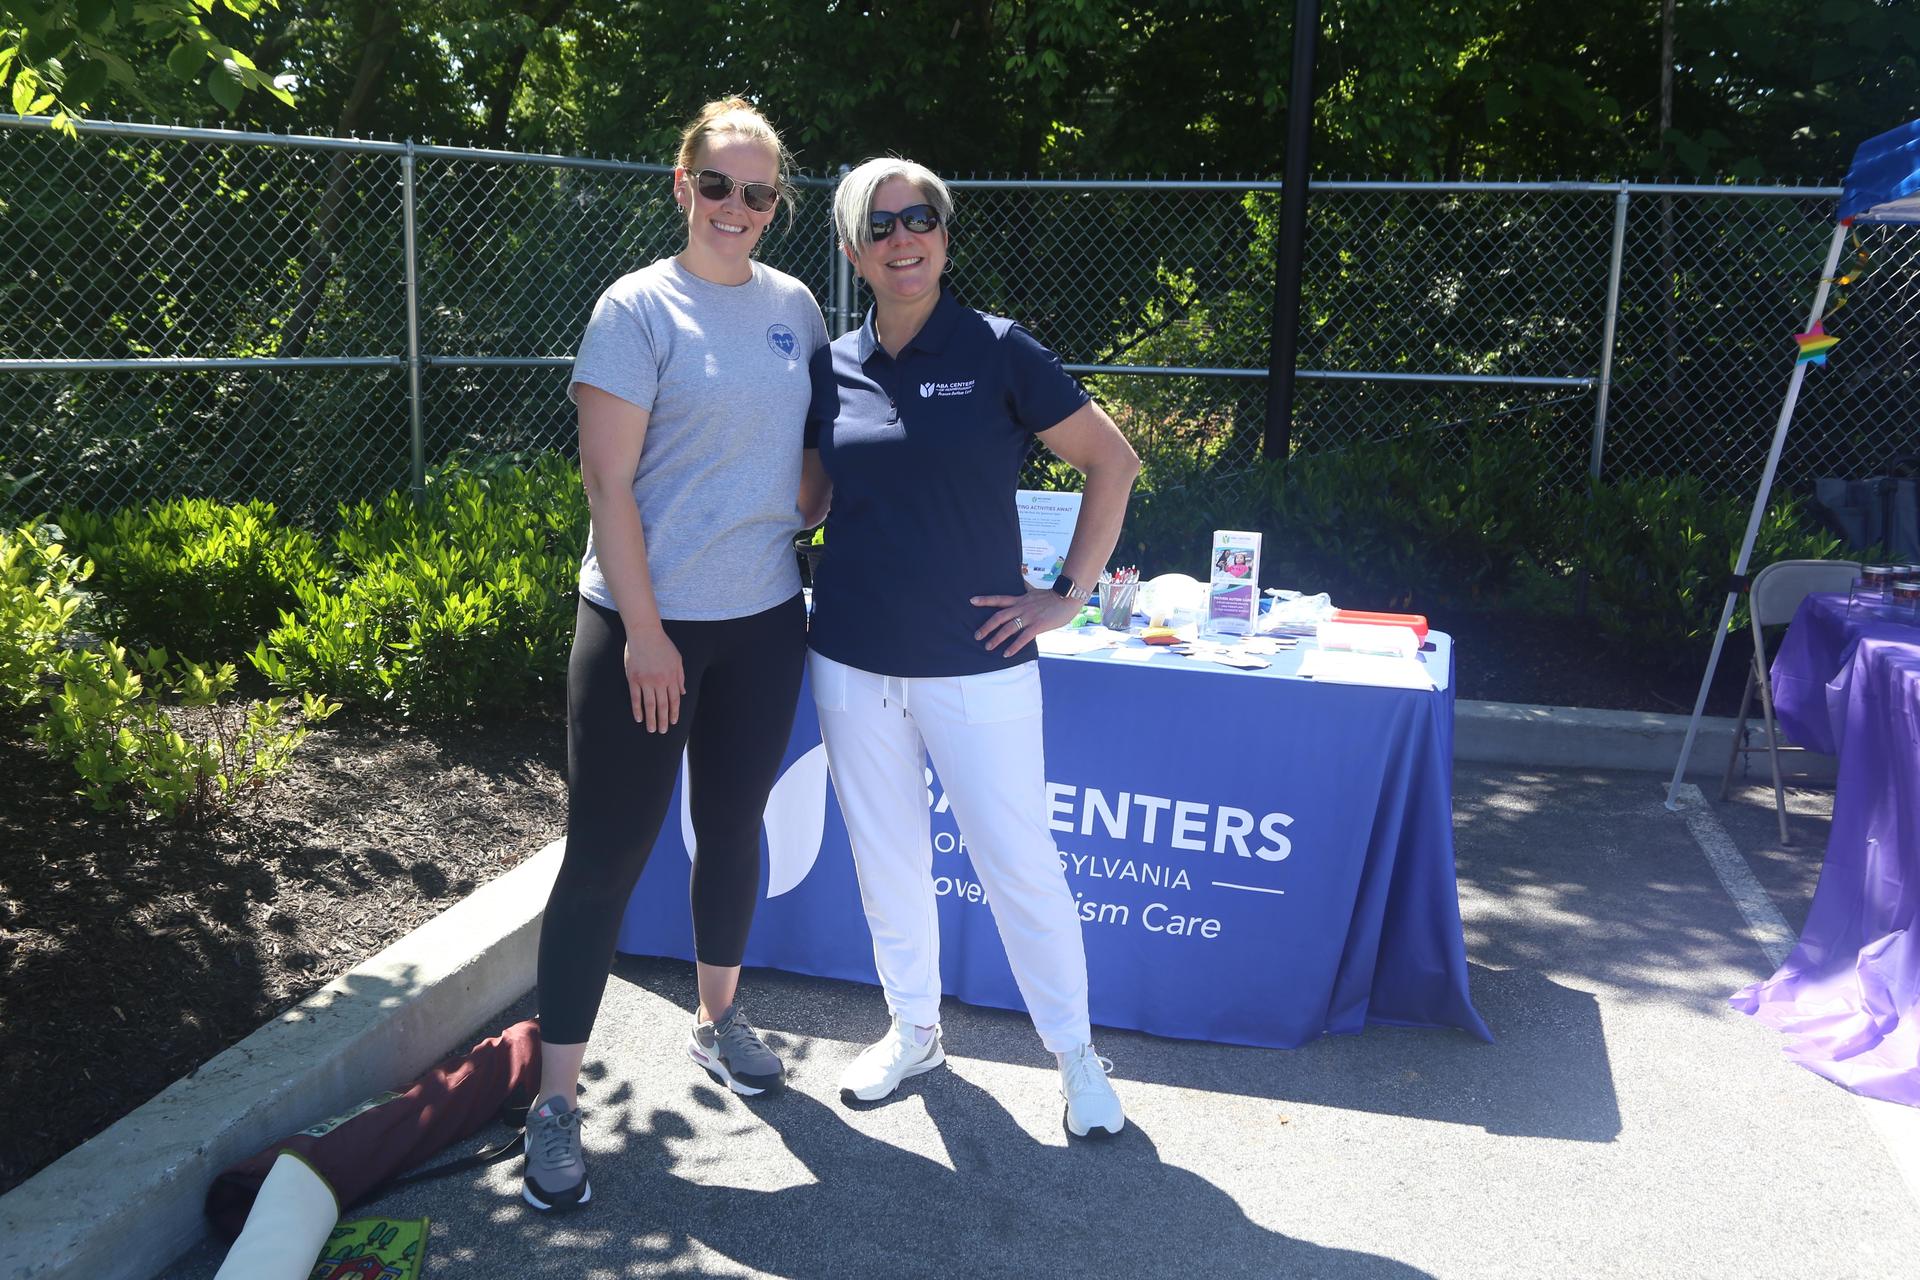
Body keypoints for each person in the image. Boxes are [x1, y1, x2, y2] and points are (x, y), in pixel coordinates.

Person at [523, 97, 827, 1212]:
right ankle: (554, 1101)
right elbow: (609, 483)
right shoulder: (636, 307)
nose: (737, 208)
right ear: (682, 184)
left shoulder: (796, 305)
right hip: (642, 624)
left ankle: (717, 1017)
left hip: (763, 620)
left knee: (734, 826)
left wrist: (812, 507)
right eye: (719, 186)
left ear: (776, 203)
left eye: (758, 192)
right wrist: (647, 633)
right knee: (603, 853)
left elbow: (812, 447)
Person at [799, 158, 1142, 1137]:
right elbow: (808, 501)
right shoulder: (830, 364)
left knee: (1018, 861)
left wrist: (1067, 596)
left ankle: (1076, 1054)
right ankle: (914, 1029)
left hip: (978, 662)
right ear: (855, 249)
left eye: (920, 219)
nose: (902, 237)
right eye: (881, 224)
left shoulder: (999, 349)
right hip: (852, 659)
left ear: (944, 237)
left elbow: (1111, 461)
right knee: (888, 858)